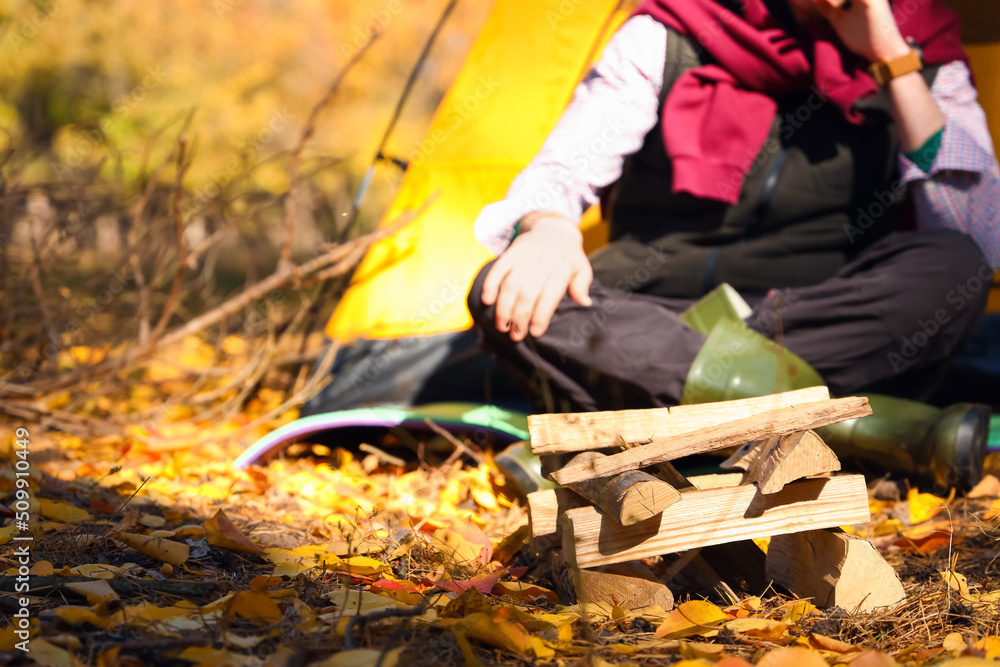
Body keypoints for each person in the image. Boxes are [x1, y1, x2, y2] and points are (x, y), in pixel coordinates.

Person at [466, 0, 1000, 491]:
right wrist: (548, 226)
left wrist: (892, 59)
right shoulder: (670, 30)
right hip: (655, 313)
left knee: (957, 266)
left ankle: (639, 433)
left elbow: (978, 231)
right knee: (501, 289)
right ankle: (856, 430)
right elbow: (564, 168)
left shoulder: (920, 49)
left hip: (814, 318)